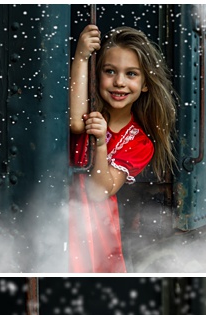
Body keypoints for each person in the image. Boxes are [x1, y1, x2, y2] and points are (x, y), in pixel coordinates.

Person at [68, 24, 176, 272]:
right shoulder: (90, 112)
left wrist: (101, 144)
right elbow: (75, 123)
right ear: (97, 75)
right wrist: (82, 56)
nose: (119, 82)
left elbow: (98, 191)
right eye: (110, 71)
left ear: (146, 83)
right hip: (61, 207)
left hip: (94, 223)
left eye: (131, 74)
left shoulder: (140, 142)